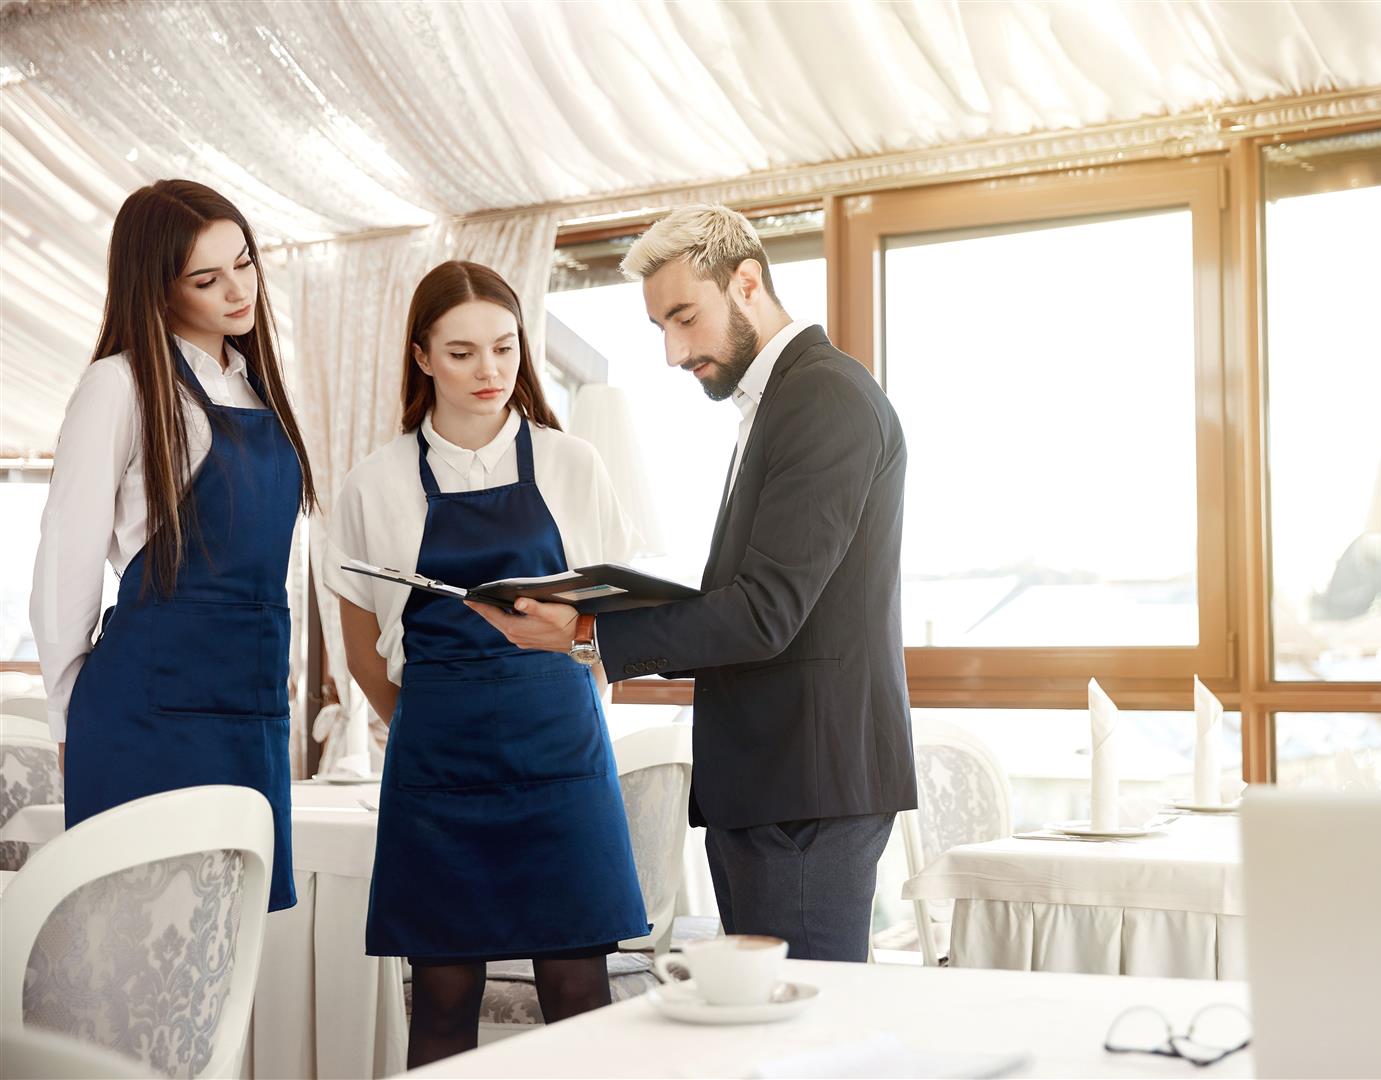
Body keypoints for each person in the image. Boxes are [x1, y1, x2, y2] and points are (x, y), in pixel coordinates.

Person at [469, 205, 916, 962]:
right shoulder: (781, 402)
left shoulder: (824, 397)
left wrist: (589, 631)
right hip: (777, 783)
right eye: (660, 328)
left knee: (800, 1037)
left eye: (685, 317)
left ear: (747, 283)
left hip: (804, 786)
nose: (674, 352)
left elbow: (766, 612)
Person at [326, 260, 648, 1067]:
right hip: (437, 767)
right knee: (439, 996)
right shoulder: (376, 482)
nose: (490, 371)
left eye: (504, 348)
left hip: (562, 757)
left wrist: (570, 703)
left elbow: (613, 623)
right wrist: (428, 728)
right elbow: (363, 651)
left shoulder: (575, 467)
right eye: (463, 352)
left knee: (580, 990)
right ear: (423, 356)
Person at [31, 179, 316, 911]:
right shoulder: (118, 386)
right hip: (143, 714)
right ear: (157, 290)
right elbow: (65, 568)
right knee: (137, 954)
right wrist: (68, 717)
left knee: (229, 946)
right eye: (206, 278)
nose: (236, 290)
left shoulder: (260, 394)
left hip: (248, 709)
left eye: (244, 264)